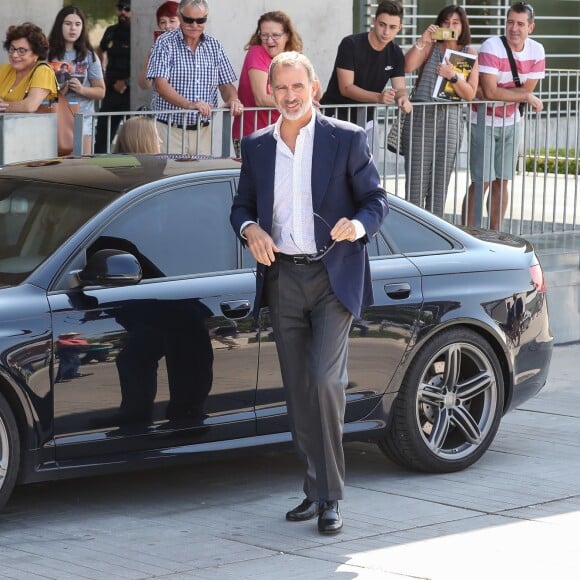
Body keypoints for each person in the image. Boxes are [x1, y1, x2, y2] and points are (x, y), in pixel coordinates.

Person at [230, 51, 388, 535]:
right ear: (270, 92)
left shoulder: (346, 138)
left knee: (324, 381)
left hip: (331, 277)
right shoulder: (256, 145)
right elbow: (240, 207)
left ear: (315, 87)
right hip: (283, 278)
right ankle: (314, 488)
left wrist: (358, 226)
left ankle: (331, 498)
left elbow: (376, 200)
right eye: (281, 88)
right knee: (299, 392)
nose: (290, 96)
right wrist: (250, 229)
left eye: (298, 87)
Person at [463, 2, 545, 230]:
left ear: (531, 27)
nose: (514, 28)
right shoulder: (492, 47)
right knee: (482, 182)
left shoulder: (537, 50)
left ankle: (495, 235)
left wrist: (519, 95)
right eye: (510, 22)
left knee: (503, 181)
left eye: (520, 24)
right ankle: (469, 233)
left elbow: (523, 90)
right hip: (483, 120)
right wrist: (524, 97)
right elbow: (489, 92)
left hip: (511, 121)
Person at [403, 5, 479, 218]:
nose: (450, 26)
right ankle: (413, 227)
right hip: (423, 114)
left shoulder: (468, 53)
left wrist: (452, 76)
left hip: (451, 117)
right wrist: (423, 40)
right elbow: (407, 67)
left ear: (463, 26)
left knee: (440, 179)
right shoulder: (431, 47)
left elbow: (470, 94)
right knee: (416, 177)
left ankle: (433, 230)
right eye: (446, 22)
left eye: (455, 22)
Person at [146, 0, 243, 156]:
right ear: (180, 16)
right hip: (169, 130)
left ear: (206, 18)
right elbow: (160, 84)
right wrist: (189, 104)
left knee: (200, 178)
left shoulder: (214, 45)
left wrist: (233, 99)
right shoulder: (164, 42)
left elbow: (226, 84)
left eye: (200, 20)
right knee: (171, 179)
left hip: (203, 131)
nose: (194, 24)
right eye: (189, 20)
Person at [320, 0, 412, 141]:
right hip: (335, 118)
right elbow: (346, 88)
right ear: (374, 21)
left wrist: (403, 98)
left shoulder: (396, 53)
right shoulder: (350, 44)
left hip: (366, 121)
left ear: (400, 27)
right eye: (382, 25)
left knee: (367, 163)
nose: (386, 32)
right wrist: (379, 97)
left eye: (392, 27)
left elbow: (400, 88)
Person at [232, 11, 311, 156]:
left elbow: (314, 91)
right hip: (254, 135)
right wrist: (300, 102)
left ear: (287, 35)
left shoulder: (291, 58)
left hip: (283, 135)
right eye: (264, 35)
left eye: (275, 35)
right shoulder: (256, 52)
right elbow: (261, 98)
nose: (269, 41)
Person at [48, 5, 106, 155]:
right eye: (68, 24)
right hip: (53, 117)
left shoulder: (90, 56)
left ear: (83, 27)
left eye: (77, 24)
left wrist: (82, 89)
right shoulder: (47, 54)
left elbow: (101, 91)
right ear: (59, 25)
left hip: (84, 118)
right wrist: (58, 90)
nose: (73, 28)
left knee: (82, 168)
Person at [93, 0, 132, 153]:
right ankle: (99, 171)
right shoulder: (111, 30)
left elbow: (144, 63)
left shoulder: (139, 32)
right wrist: (101, 72)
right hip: (111, 88)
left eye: (127, 9)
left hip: (132, 92)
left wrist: (127, 82)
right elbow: (100, 49)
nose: (123, 12)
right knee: (103, 134)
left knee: (132, 138)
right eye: (120, 8)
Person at [0, 22, 57, 113]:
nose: (14, 55)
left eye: (22, 51)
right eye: (12, 49)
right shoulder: (3, 70)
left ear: (36, 54)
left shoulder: (43, 71)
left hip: (34, 126)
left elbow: (30, 106)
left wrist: (3, 106)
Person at [137, 1, 180, 91]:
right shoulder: (158, 49)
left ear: (182, 22)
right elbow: (144, 85)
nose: (167, 26)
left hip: (191, 103)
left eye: (172, 21)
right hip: (163, 104)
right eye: (162, 22)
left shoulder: (192, 46)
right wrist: (150, 58)